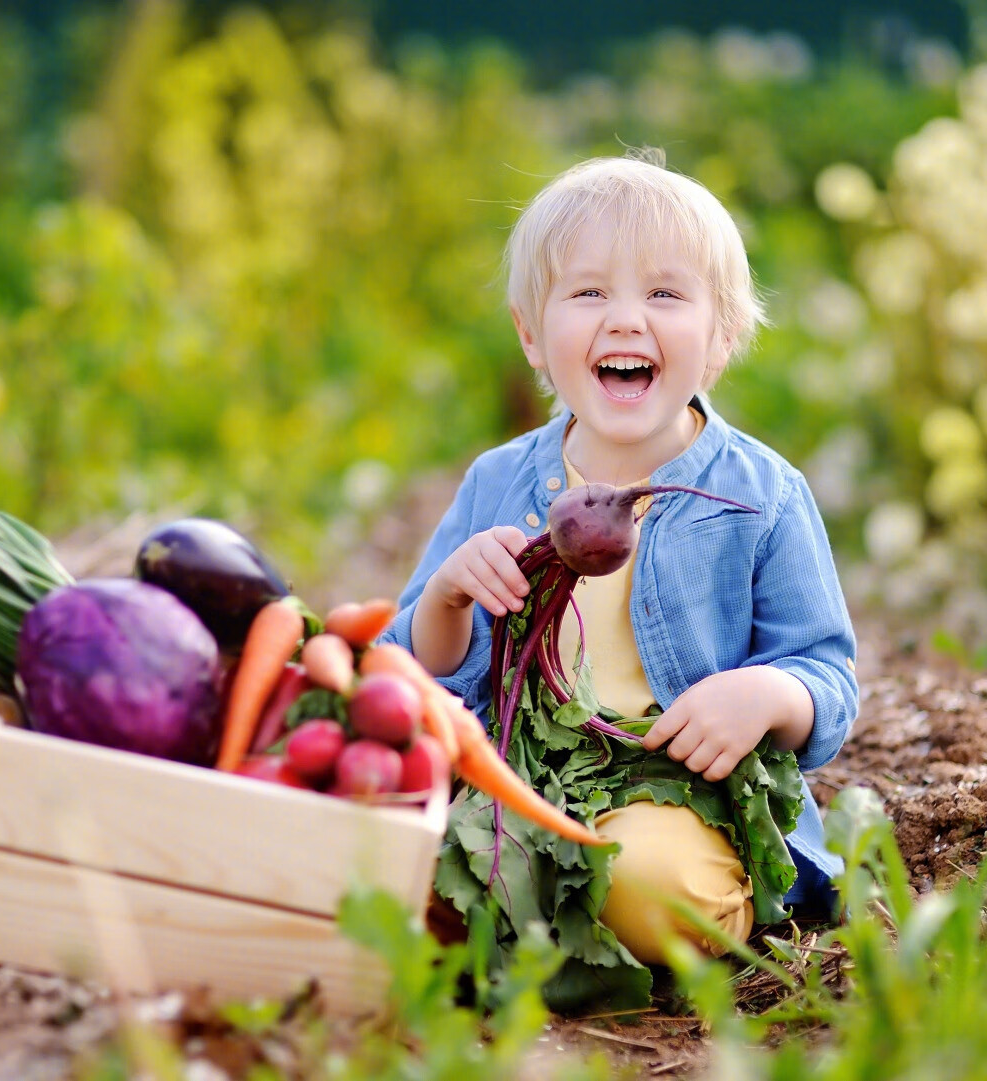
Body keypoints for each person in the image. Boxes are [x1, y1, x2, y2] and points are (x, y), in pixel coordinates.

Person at [378, 149, 859, 963]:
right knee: (386, 853)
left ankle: (606, 914)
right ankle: (527, 913)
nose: (626, 319)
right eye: (589, 291)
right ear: (532, 335)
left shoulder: (761, 494)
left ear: (720, 338)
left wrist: (766, 694)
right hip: (517, 782)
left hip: (676, 792)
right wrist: (447, 601)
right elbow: (411, 672)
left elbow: (828, 677)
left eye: (665, 294)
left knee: (645, 882)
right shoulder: (499, 482)